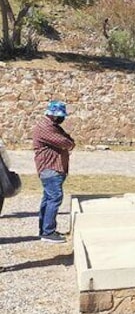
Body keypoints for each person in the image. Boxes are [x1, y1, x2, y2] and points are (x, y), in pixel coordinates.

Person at [32, 100, 75, 243]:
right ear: (54, 115)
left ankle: (45, 229)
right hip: (51, 168)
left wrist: (68, 140)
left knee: (48, 199)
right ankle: (48, 232)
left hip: (53, 168)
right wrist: (68, 142)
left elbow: (67, 139)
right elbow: (67, 143)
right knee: (55, 198)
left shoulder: (53, 126)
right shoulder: (46, 127)